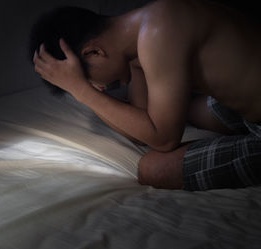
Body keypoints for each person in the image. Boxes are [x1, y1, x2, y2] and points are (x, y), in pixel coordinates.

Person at [29, 0, 261, 191]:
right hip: (248, 104)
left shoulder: (158, 32)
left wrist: (82, 91)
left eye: (90, 81)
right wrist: (80, 88)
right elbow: (141, 132)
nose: (99, 89)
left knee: (153, 168)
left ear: (94, 52)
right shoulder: (141, 37)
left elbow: (163, 139)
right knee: (190, 111)